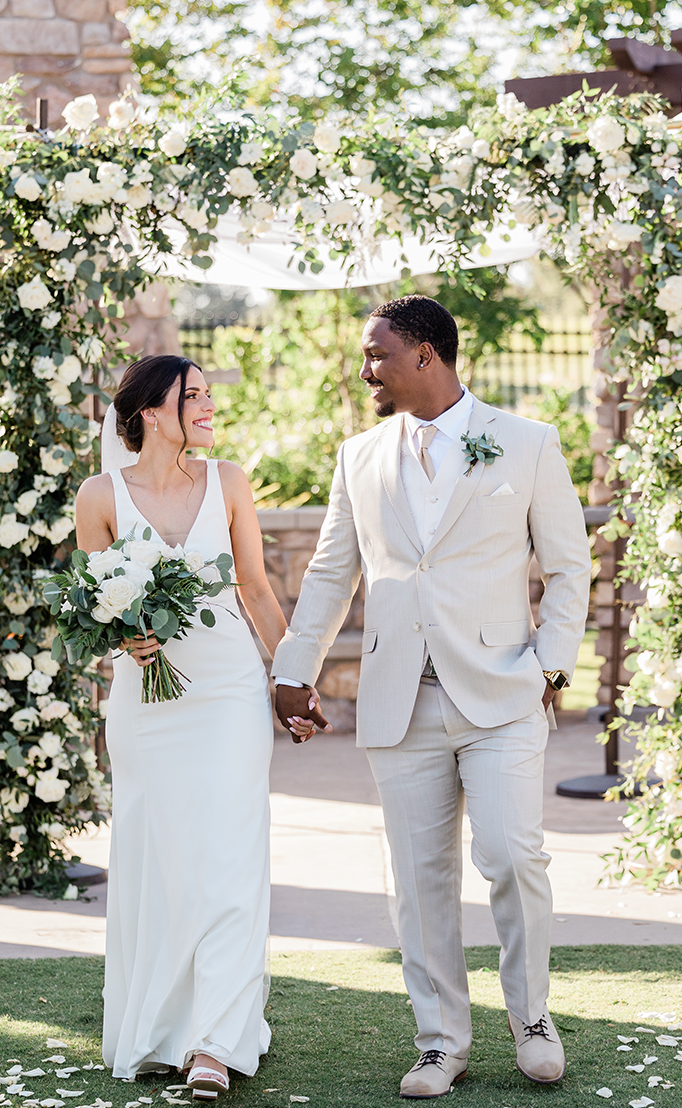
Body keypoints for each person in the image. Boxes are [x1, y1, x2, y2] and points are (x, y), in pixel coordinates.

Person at [272, 295, 591, 1097]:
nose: (365, 368)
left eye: (377, 354)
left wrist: (548, 668)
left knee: (515, 856)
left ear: (426, 355)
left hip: (501, 694)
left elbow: (568, 567)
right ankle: (440, 1040)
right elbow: (331, 572)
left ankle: (533, 1020)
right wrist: (292, 668)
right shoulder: (359, 455)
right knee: (418, 880)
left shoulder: (526, 443)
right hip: (398, 699)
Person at [76, 355, 319, 1101]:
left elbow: (255, 587)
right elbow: (95, 606)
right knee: (164, 860)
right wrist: (125, 640)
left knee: (230, 856)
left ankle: (215, 1042)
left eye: (210, 394)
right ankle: (161, 1028)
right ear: (151, 411)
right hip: (146, 705)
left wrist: (290, 680)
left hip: (227, 694)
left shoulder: (231, 482)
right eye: (195, 396)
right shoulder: (99, 495)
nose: (210, 406)